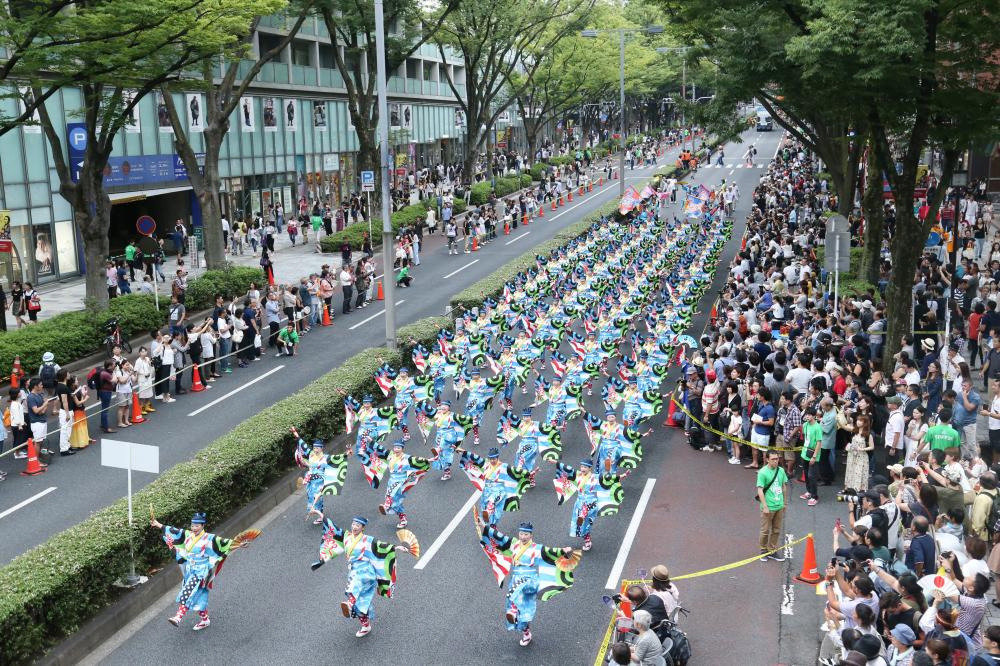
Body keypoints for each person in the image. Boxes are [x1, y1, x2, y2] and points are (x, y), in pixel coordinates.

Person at [309, 516, 414, 638]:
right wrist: (321, 516)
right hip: (354, 570)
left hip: (365, 571)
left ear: (362, 528)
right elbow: (333, 529)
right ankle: (365, 625)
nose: (354, 527)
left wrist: (396, 547)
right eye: (353, 524)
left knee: (355, 584)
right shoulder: (347, 537)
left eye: (357, 526)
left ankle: (349, 602)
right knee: (361, 602)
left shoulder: (367, 540)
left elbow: (381, 546)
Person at [478, 521, 577, 647]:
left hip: (530, 580)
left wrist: (563, 550)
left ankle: (513, 611)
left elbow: (550, 552)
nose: (523, 537)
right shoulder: (514, 544)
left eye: (526, 534)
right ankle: (526, 633)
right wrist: (483, 527)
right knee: (524, 611)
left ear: (531, 535)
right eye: (521, 534)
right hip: (516, 579)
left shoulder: (537, 548)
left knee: (512, 595)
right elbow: (500, 537)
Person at [150, 512, 232, 631]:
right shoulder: (188, 535)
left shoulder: (209, 538)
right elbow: (174, 531)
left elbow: (225, 544)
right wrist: (158, 524)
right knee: (198, 597)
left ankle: (178, 617)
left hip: (201, 572)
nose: (194, 528)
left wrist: (239, 543)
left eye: (197, 526)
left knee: (188, 591)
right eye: (192, 525)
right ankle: (205, 620)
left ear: (203, 525)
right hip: (190, 570)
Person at [758, 450, 788, 561]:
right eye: (773, 459)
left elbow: (784, 487)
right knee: (765, 530)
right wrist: (765, 506)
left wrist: (784, 503)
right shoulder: (763, 472)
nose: (776, 461)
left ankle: (772, 550)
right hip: (768, 507)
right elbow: (760, 490)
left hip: (779, 506)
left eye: (777, 459)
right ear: (767, 460)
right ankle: (763, 550)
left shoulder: (781, 471)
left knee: (776, 530)